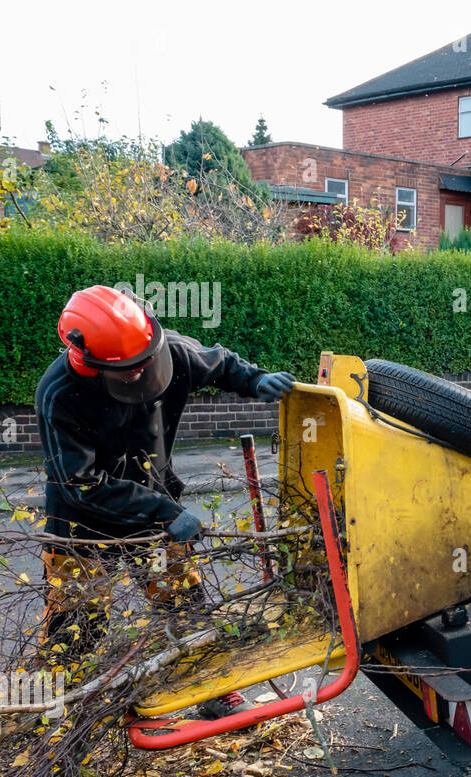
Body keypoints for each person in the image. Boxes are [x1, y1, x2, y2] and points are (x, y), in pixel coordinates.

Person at [34, 284, 296, 718]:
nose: (139, 373)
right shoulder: (60, 393)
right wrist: (166, 511)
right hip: (82, 524)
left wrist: (255, 379)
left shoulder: (164, 350)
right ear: (87, 359)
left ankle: (211, 688)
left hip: (151, 515)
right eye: (127, 371)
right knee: (77, 626)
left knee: (184, 606)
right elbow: (79, 484)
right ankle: (54, 709)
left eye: (143, 364)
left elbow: (221, 364)